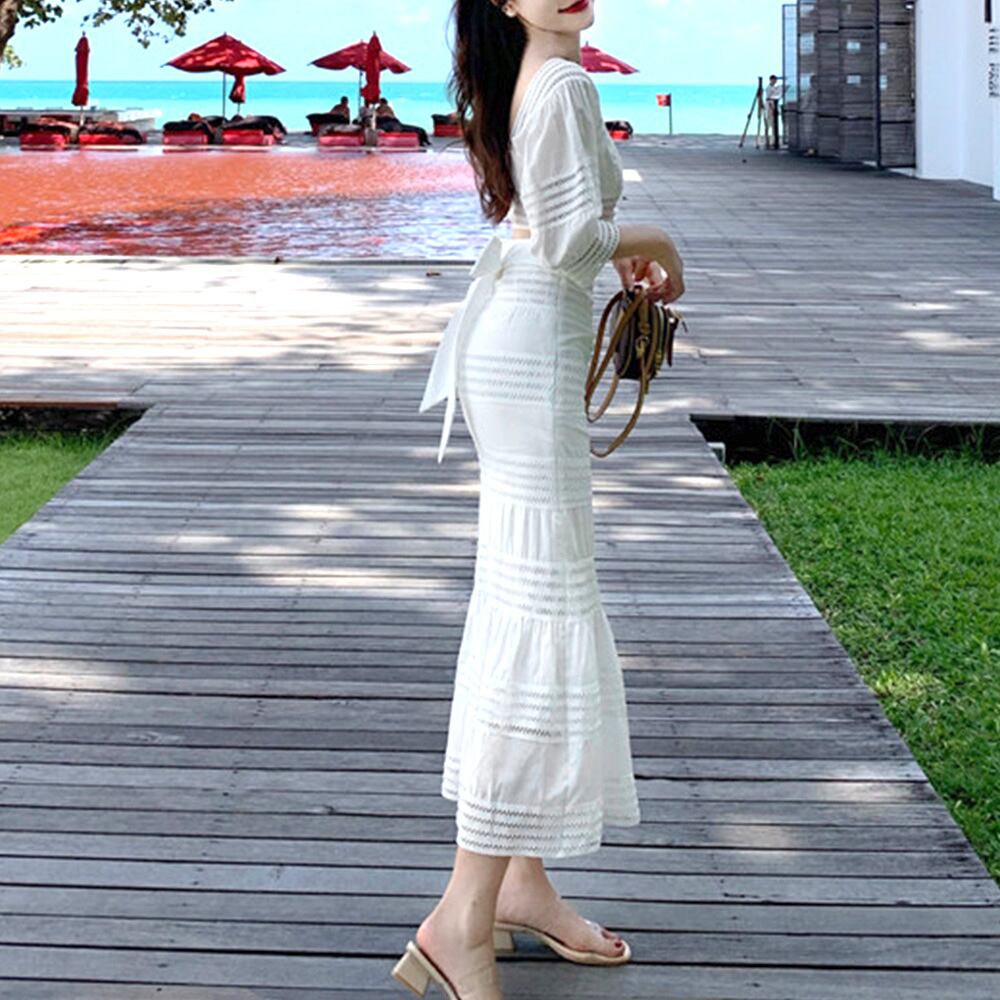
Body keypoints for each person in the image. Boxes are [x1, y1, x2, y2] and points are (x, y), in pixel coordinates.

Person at [395, 1, 685, 998]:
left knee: (526, 601)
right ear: (507, 3)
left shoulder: (535, 76)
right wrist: (657, 242)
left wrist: (615, 246)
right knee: (542, 612)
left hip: (514, 344)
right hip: (528, 353)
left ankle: (521, 885)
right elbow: (567, 240)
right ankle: (460, 917)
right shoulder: (562, 82)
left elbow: (554, 228)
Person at [766, 73, 782, 149]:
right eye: (774, 80)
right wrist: (773, 108)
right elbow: (769, 98)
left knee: (773, 125)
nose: (775, 81)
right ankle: (768, 140)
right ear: (771, 80)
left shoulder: (775, 88)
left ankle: (773, 141)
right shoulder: (768, 88)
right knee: (769, 124)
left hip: (774, 106)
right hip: (770, 107)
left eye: (776, 80)